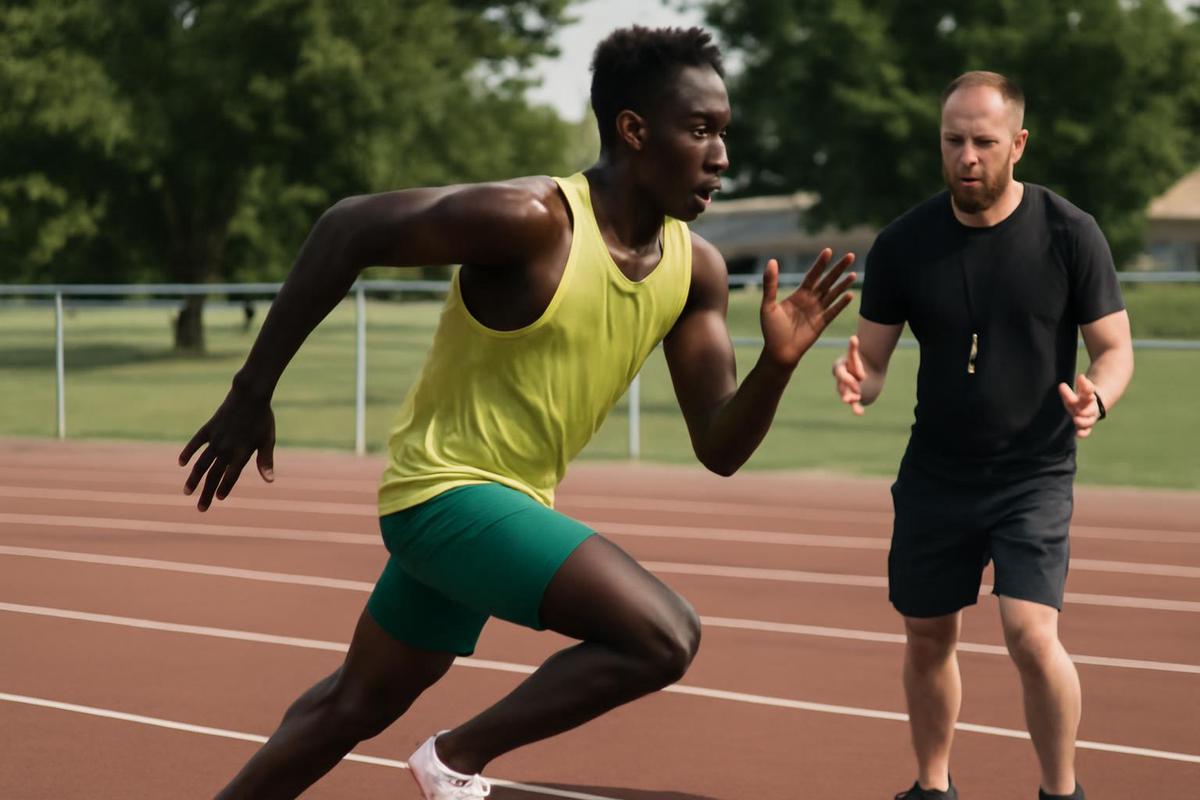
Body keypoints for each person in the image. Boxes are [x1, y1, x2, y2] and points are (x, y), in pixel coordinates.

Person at [181, 26, 855, 800]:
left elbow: (720, 447)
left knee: (350, 705)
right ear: (634, 130)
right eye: (700, 130)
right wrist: (250, 391)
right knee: (664, 635)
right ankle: (456, 761)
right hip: (441, 496)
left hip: (503, 508)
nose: (722, 157)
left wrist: (775, 365)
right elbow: (348, 227)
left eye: (724, 134)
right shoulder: (533, 220)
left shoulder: (695, 270)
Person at [832, 71, 1133, 800]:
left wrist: (1100, 395)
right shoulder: (904, 243)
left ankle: (1061, 791)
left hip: (1032, 472)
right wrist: (858, 381)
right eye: (954, 140)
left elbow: (1114, 348)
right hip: (936, 473)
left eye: (984, 142)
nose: (967, 155)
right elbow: (871, 361)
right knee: (928, 636)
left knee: (1031, 636)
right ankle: (932, 787)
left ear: (1017, 145)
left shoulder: (1070, 233)